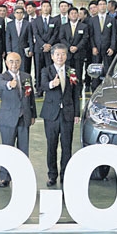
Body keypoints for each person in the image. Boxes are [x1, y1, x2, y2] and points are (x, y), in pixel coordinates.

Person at [40, 44, 80, 187]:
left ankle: (65, 174)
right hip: (51, 115)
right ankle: (52, 175)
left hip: (67, 114)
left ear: (66, 56)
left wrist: (77, 113)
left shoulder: (72, 71)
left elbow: (76, 94)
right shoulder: (46, 70)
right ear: (52, 56)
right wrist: (52, 83)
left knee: (66, 146)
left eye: (63, 54)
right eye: (57, 54)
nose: (60, 56)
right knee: (51, 146)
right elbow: (42, 85)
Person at [0, 52, 37, 188]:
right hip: (8, 119)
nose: (14, 64)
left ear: (21, 62)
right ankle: (4, 177)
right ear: (6, 63)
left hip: (24, 117)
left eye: (17, 61)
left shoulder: (26, 77)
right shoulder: (1, 77)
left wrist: (33, 115)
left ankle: (22, 175)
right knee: (7, 149)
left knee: (23, 149)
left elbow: (31, 98)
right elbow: (1, 85)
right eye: (11, 61)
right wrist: (9, 84)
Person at [59, 6, 90, 92]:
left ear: (78, 15)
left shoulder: (84, 26)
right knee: (67, 72)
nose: (73, 15)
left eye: (75, 13)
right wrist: (69, 47)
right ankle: (67, 90)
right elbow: (61, 38)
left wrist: (77, 47)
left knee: (78, 72)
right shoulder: (64, 26)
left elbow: (85, 39)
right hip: (67, 54)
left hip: (79, 53)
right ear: (68, 16)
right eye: (71, 13)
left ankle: (78, 91)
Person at [89, 0, 116, 89]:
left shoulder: (111, 20)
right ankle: (95, 87)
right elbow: (91, 35)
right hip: (96, 48)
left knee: (108, 68)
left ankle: (107, 86)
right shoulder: (92, 20)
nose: (102, 6)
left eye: (104, 4)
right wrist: (93, 47)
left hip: (107, 48)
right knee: (96, 69)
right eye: (100, 4)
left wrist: (112, 47)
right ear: (97, 7)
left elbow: (113, 35)